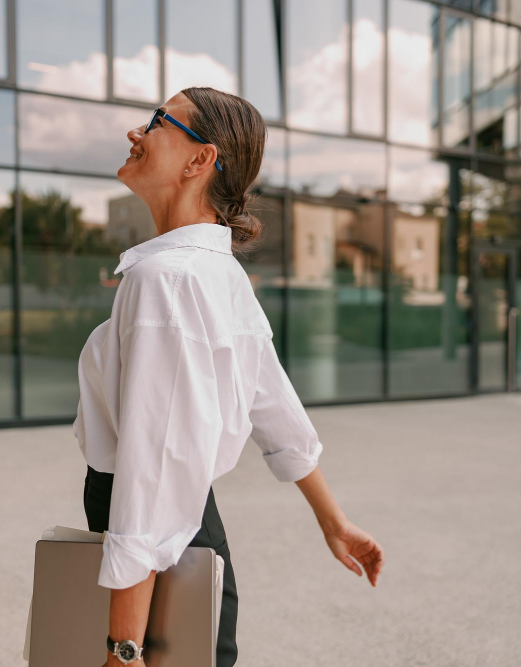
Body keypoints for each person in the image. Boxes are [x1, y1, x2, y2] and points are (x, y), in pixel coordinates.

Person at [73, 87, 385, 667]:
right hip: (185, 541)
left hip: (156, 551)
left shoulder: (164, 280)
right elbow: (274, 406)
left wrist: (123, 647)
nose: (135, 133)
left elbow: (153, 473)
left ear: (199, 160)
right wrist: (334, 520)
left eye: (157, 121)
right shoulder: (217, 272)